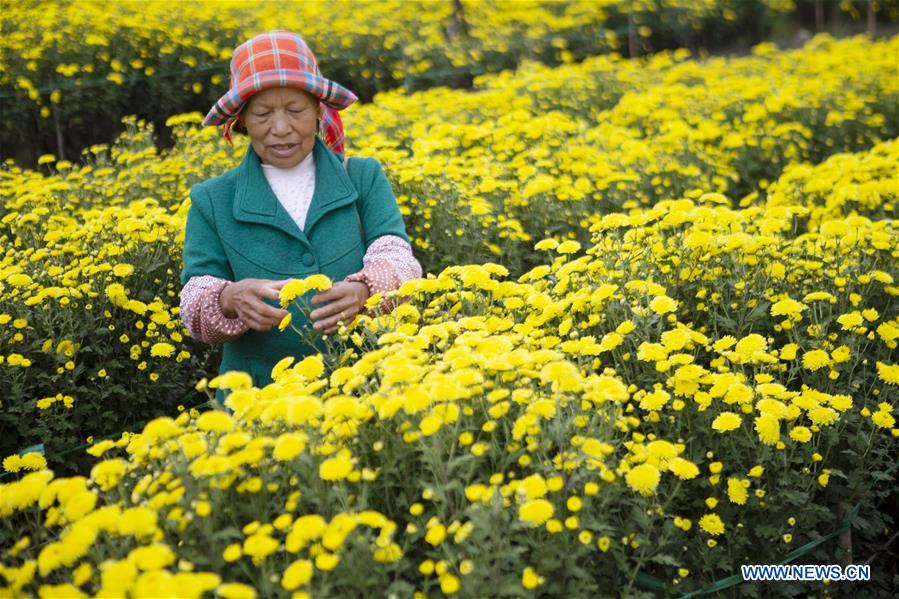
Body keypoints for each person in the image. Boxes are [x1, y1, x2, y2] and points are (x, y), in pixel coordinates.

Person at [179, 31, 421, 402]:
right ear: (241, 120)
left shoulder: (362, 176)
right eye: (262, 114)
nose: (280, 128)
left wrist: (364, 291)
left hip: (368, 391)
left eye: (295, 110)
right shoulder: (212, 200)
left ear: (318, 109)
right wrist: (229, 298)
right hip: (260, 405)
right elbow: (194, 303)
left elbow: (398, 257)